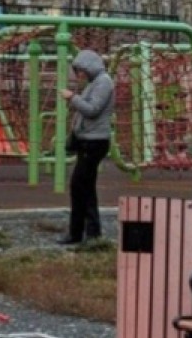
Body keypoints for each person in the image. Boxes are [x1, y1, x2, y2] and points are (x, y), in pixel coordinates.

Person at [58, 50, 115, 245]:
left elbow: (92, 110)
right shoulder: (95, 83)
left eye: (80, 71)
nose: (79, 76)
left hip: (95, 141)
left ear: (89, 66)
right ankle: (87, 233)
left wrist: (72, 98)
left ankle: (84, 233)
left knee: (80, 186)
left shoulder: (103, 82)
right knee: (84, 187)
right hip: (89, 140)